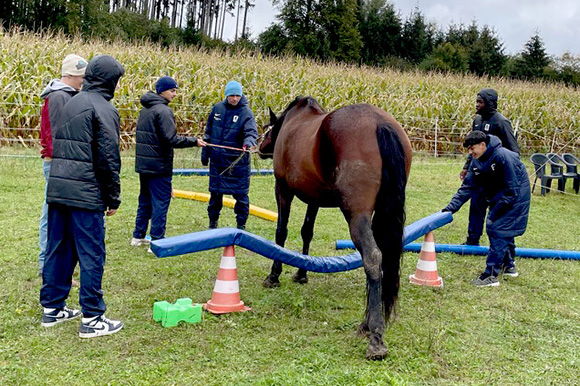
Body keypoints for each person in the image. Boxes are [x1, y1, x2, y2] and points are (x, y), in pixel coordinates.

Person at [40, 55, 125, 338]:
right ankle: (92, 317)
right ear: (110, 80)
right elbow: (108, 159)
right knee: (92, 254)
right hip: (85, 194)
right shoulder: (104, 108)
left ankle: (52, 308)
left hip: (59, 190)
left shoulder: (69, 99)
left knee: (59, 249)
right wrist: (113, 197)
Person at [443, 131, 530, 287]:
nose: (470, 153)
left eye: (472, 148)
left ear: (483, 145)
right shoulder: (476, 160)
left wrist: (495, 211)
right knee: (503, 230)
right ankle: (509, 266)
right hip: (500, 196)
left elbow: (513, 190)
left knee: (497, 229)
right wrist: (451, 208)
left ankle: (490, 275)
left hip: (516, 197)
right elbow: (467, 187)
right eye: (468, 150)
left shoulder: (504, 156)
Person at [132, 76, 207, 246]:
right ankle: (157, 240)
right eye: (172, 90)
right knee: (160, 202)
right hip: (159, 166)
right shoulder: (164, 111)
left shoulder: (145, 110)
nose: (175, 94)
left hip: (144, 165)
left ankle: (138, 236)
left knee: (145, 200)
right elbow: (170, 139)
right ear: (162, 91)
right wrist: (193, 141)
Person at [38, 54, 88, 276]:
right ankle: (47, 267)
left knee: (54, 215)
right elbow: (57, 133)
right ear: (71, 75)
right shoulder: (59, 96)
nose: (82, 81)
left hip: (59, 162)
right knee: (51, 216)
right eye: (81, 77)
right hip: (57, 163)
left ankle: (52, 267)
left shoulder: (65, 95)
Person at [459, 88, 519, 246]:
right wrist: (467, 167)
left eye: (480, 102)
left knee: (497, 211)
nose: (477, 105)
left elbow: (514, 151)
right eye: (476, 101)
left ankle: (500, 245)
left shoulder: (501, 122)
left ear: (490, 103)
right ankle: (472, 241)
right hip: (479, 174)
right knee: (476, 207)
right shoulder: (477, 120)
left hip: (496, 177)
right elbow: (473, 145)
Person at [201, 80, 258, 230]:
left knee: (241, 196)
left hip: (237, 164)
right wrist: (205, 153)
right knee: (215, 196)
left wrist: (248, 143)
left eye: (237, 96)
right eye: (231, 95)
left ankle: (241, 225)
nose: (234, 98)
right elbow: (208, 132)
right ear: (226, 95)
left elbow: (251, 132)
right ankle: (212, 224)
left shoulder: (246, 112)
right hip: (218, 162)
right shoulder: (217, 109)